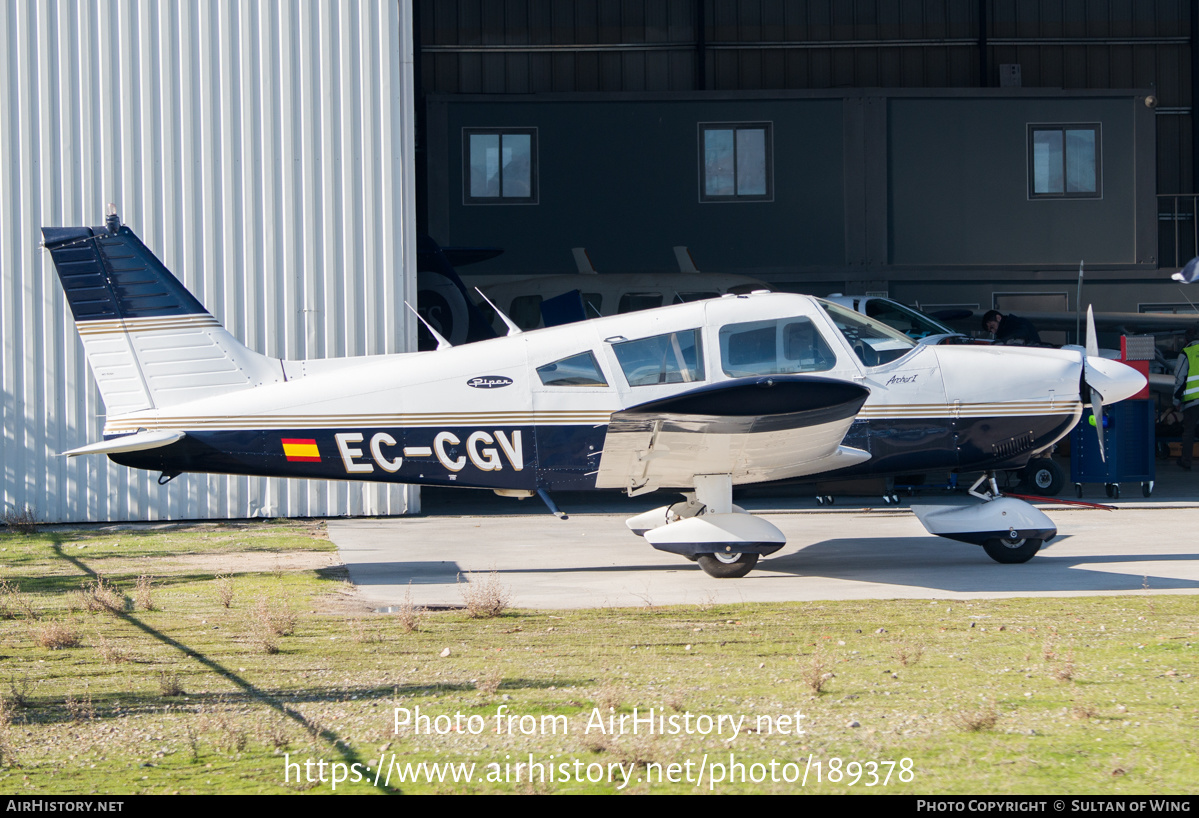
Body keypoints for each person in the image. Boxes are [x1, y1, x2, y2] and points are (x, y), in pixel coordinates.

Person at [1173, 327, 1199, 470]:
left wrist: (1176, 400)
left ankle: (1186, 461)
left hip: (1192, 400)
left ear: (1186, 339)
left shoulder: (1186, 353)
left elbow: (1180, 378)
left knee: (1189, 432)